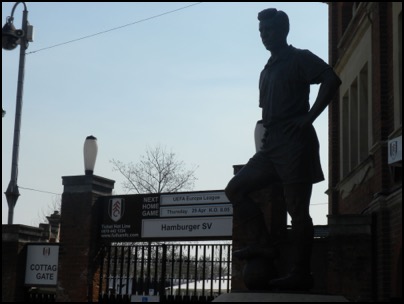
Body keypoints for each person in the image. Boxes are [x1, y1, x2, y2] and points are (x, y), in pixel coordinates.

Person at [225, 8, 341, 291]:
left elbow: (331, 79)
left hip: (295, 142)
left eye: (270, 30)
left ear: (283, 31)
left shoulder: (299, 57)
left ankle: (301, 273)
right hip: (271, 145)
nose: (265, 36)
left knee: (297, 210)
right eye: (262, 32)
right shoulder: (266, 70)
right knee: (235, 189)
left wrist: (309, 117)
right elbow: (267, 113)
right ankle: (263, 245)